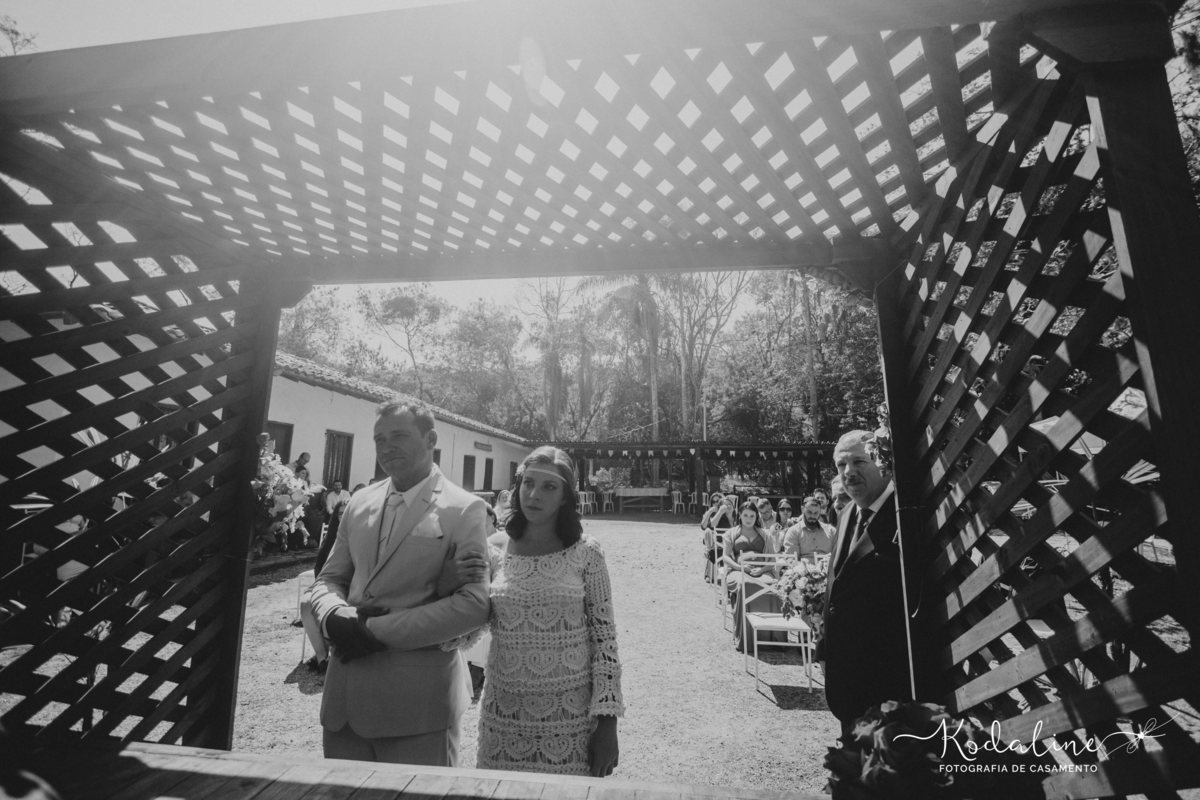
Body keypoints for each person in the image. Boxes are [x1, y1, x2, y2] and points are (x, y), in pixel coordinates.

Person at [308, 401, 490, 766]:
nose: (387, 447)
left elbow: (474, 604)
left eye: (400, 436)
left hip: (417, 709)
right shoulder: (359, 502)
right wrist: (332, 615)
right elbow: (330, 578)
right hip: (344, 702)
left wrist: (371, 630)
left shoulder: (463, 508)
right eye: (379, 439)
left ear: (430, 439)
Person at [452, 446, 623, 776]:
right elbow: (469, 632)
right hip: (505, 716)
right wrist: (448, 588)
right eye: (528, 483)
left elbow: (606, 643)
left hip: (569, 719)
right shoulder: (494, 549)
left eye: (549, 487)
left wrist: (607, 724)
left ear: (565, 497)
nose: (534, 494)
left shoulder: (586, 552)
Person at [822, 430, 926, 738]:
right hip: (846, 686)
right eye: (841, 465)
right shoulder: (845, 516)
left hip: (890, 688)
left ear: (881, 462)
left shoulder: (906, 516)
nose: (848, 472)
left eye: (858, 461)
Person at [724, 500, 782, 652]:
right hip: (738, 571)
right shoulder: (731, 533)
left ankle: (774, 636)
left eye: (752, 515)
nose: (748, 518)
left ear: (756, 516)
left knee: (774, 585)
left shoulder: (765, 534)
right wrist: (740, 567)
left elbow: (772, 559)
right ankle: (747, 638)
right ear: (740, 516)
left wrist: (762, 570)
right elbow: (726, 557)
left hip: (761, 570)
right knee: (745, 584)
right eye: (745, 515)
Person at [781, 496, 834, 562]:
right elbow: (792, 560)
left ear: (820, 512)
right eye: (809, 512)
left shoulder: (831, 531)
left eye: (816, 513)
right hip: (802, 569)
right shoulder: (793, 532)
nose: (812, 516)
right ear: (802, 509)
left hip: (827, 568)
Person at [699, 492, 735, 583]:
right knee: (713, 548)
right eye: (713, 501)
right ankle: (710, 574)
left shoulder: (737, 516)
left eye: (717, 501)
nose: (715, 503)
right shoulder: (718, 515)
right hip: (716, 542)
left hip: (731, 545)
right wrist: (714, 512)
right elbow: (705, 527)